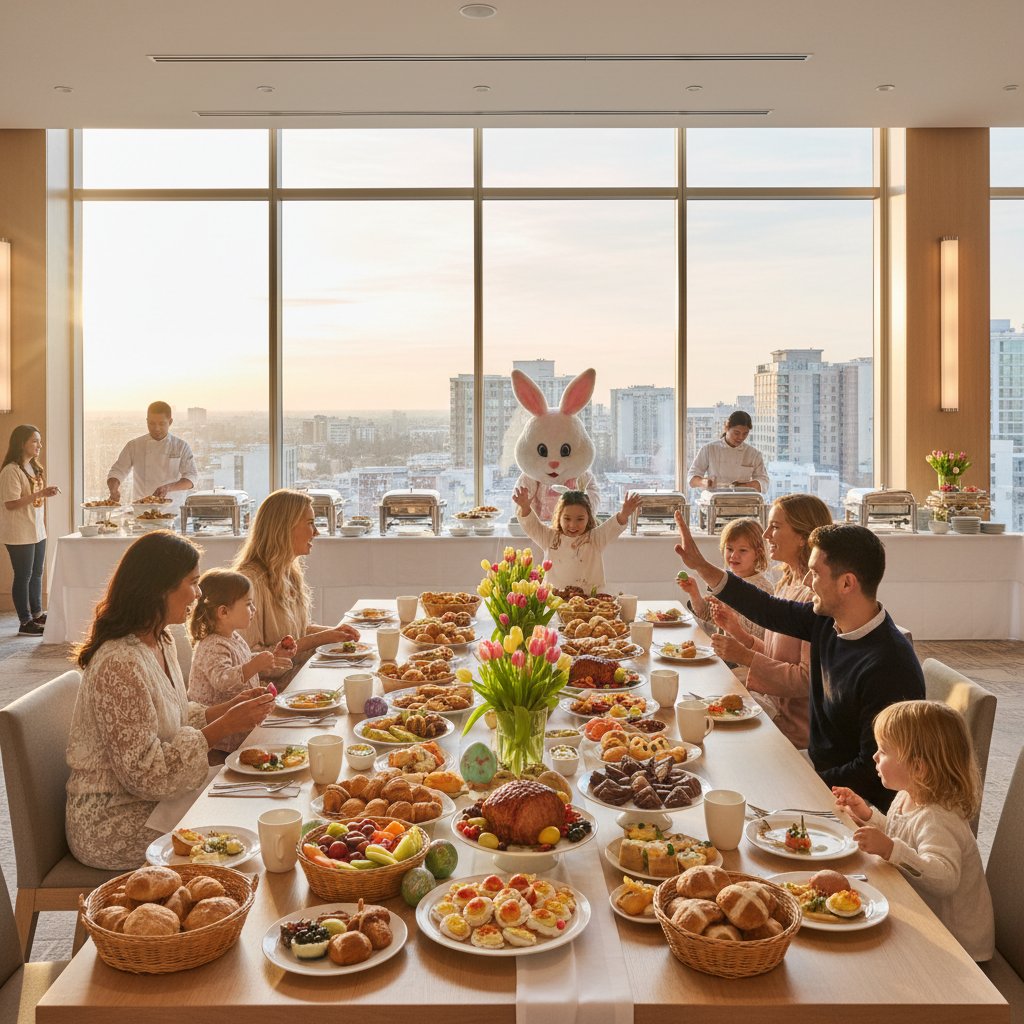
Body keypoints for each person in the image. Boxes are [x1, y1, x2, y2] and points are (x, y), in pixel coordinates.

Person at [674, 511, 924, 811]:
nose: (807, 581)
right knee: (720, 773)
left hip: (856, 804)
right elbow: (766, 608)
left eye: (816, 573)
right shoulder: (827, 621)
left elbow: (870, 772)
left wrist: (799, 781)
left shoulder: (888, 665)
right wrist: (702, 566)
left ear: (847, 584)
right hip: (817, 768)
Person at [66, 531, 276, 869]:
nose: (199, 593)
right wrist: (221, 727)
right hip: (114, 820)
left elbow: (175, 717)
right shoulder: (119, 662)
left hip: (152, 799)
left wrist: (229, 710)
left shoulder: (159, 640)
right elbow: (144, 774)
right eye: (193, 582)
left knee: (256, 791)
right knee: (246, 828)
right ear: (160, 587)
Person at [832, 700, 994, 962]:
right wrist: (868, 816)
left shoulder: (939, 818)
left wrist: (889, 849)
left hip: (957, 948)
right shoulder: (909, 795)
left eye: (883, 751)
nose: (874, 756)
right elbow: (904, 834)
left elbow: (944, 878)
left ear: (918, 768)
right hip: (928, 922)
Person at [707, 494, 834, 748]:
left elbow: (806, 680)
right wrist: (741, 637)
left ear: (802, 537)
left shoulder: (817, 597)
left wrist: (745, 657)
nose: (766, 535)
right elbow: (777, 656)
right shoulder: (786, 583)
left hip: (793, 730)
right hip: (772, 708)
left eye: (775, 527)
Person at [232, 489, 359, 684]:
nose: (316, 532)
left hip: (299, 677)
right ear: (284, 528)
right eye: (310, 523)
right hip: (271, 693)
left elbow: (295, 632)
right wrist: (321, 638)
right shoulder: (248, 582)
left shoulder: (290, 573)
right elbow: (249, 660)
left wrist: (335, 632)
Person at [187, 568, 293, 753]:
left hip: (239, 729)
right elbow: (222, 680)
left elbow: (241, 661)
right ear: (224, 612)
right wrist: (254, 665)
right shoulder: (212, 645)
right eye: (248, 604)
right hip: (222, 741)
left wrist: (270, 659)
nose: (254, 609)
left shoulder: (233, 637)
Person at [675, 517, 773, 677]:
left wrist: (729, 616)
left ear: (758, 553)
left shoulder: (763, 588)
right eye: (729, 549)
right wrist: (694, 593)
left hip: (742, 663)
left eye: (743, 550)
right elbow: (707, 617)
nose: (734, 555)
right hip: (719, 652)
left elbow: (756, 638)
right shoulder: (723, 580)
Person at [512, 486, 642, 592]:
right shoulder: (550, 537)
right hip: (555, 599)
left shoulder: (595, 538)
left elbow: (614, 525)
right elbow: (531, 525)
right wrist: (525, 507)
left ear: (588, 518)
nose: (573, 525)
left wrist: (625, 513)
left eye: (580, 519)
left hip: (589, 601)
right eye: (567, 519)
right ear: (559, 517)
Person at [0, 425, 60, 636]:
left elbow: (33, 498)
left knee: (37, 574)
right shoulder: (11, 471)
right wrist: (40, 493)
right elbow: (11, 503)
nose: (39, 445)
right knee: (23, 575)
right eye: (34, 441)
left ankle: (37, 614)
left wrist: (44, 493)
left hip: (36, 530)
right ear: (21, 443)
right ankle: (25, 621)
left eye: (39, 441)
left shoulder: (33, 468)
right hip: (19, 532)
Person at [106, 401, 198, 509]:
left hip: (172, 511)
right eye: (152, 423)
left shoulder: (181, 446)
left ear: (170, 422)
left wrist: (168, 487)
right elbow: (118, 471)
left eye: (162, 424)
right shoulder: (134, 445)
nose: (156, 428)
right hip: (141, 511)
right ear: (146, 421)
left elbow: (191, 478)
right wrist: (114, 489)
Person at [687, 410, 769, 493]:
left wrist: (744, 486)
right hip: (715, 501)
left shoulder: (754, 454)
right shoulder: (709, 449)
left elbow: (764, 482)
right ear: (726, 428)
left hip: (743, 501)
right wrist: (704, 482)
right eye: (736, 433)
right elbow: (691, 477)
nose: (741, 437)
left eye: (745, 434)